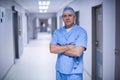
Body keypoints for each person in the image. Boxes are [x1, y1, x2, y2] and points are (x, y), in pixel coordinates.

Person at [49, 6, 87, 80]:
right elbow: (52, 49)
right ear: (62, 18)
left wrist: (59, 48)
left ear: (74, 17)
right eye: (65, 16)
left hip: (75, 72)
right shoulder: (57, 32)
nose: (67, 18)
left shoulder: (81, 32)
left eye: (70, 15)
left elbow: (77, 52)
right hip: (60, 70)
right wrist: (69, 47)